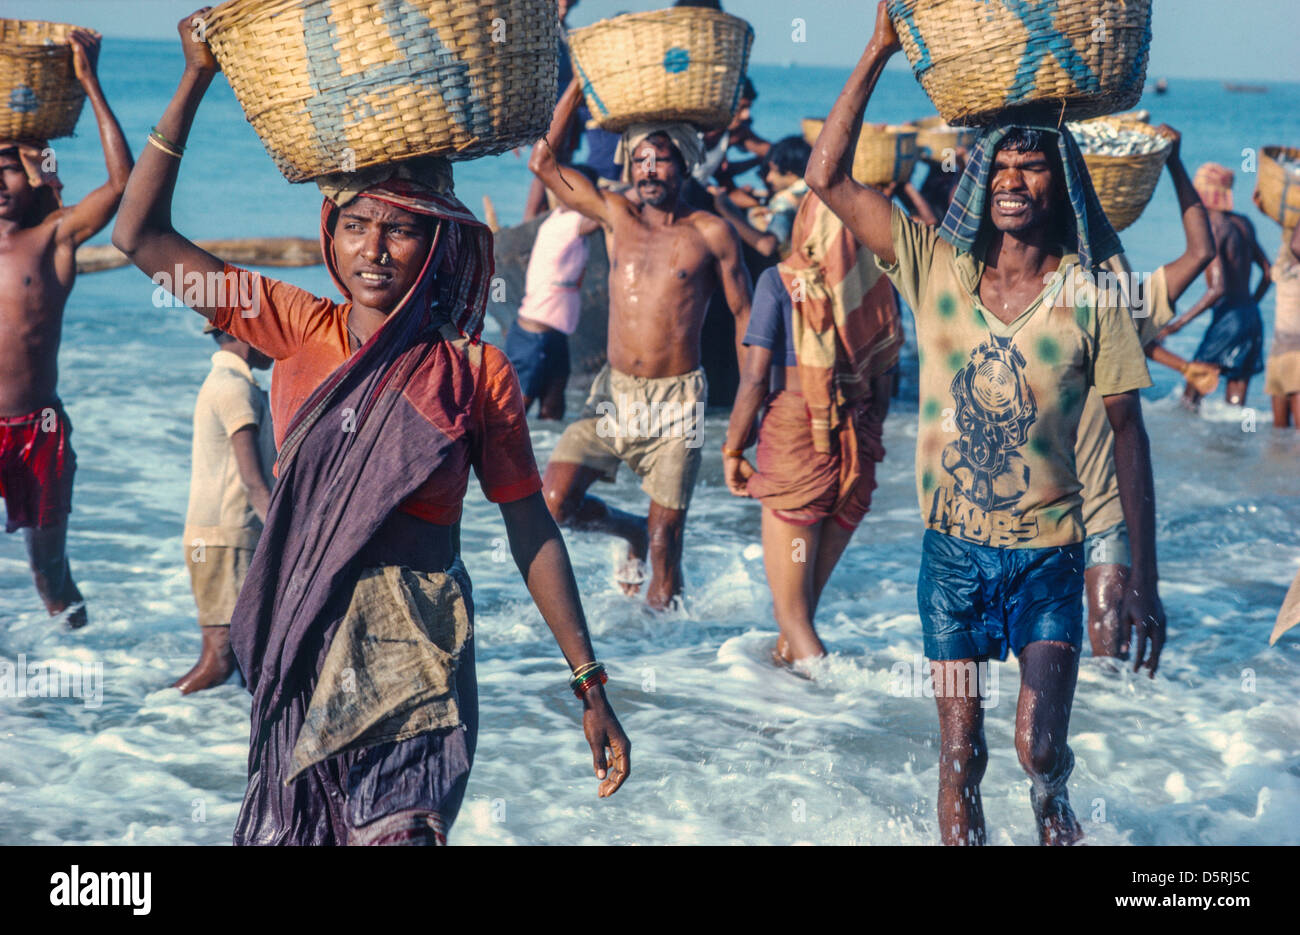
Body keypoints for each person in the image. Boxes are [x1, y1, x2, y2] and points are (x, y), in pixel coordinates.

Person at [112, 12, 629, 845]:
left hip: (416, 657)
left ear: (438, 240)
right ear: (331, 233)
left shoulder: (472, 371)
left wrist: (589, 679)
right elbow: (138, 236)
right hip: (305, 650)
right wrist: (194, 81)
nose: (374, 248)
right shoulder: (291, 324)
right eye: (357, 224)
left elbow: (529, 524)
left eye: (401, 226)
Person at [806, 2, 1165, 846]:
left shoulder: (1089, 294)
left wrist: (1142, 578)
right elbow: (827, 177)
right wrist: (877, 48)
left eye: (1032, 164)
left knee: (1037, 747)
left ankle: (1053, 801)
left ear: (1059, 183)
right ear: (981, 179)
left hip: (1048, 558)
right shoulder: (934, 266)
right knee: (960, 755)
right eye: (1000, 162)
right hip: (953, 561)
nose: (1012, 177)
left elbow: (1128, 433)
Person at [530, 77, 752, 610]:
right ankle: (624, 528)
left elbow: (745, 318)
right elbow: (543, 163)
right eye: (642, 160)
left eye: (663, 160)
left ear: (685, 166)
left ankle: (668, 667)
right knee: (554, 504)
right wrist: (577, 91)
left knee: (665, 545)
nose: (650, 169)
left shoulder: (710, 234)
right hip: (613, 394)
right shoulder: (614, 217)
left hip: (677, 404)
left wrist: (750, 409)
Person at [722, 192, 902, 667]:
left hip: (799, 440)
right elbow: (887, 380)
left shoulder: (779, 282)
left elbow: (756, 379)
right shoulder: (879, 283)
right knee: (798, 619)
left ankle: (840, 704)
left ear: (806, 223)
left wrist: (732, 449)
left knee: (793, 615)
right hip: (855, 444)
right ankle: (797, 722)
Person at [0, 29, 131, 631]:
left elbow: (122, 184)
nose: (2, 184)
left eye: (10, 171)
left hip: (39, 429)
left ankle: (86, 672)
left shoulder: (52, 239)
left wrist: (89, 84)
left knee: (49, 573)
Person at [1076, 126, 1216, 659]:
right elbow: (1201, 251)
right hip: (1042, 509)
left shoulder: (1123, 297)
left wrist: (1175, 163)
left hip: (1107, 506)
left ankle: (1114, 742)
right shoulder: (1038, 291)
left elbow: (1202, 251)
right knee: (1055, 655)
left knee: (1106, 650)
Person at [175, 324, 276, 693]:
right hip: (225, 538)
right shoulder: (235, 390)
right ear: (247, 333)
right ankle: (153, 713)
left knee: (238, 658)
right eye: (270, 329)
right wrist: (287, 538)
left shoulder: (230, 384)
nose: (276, 341)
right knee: (219, 661)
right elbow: (254, 482)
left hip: (223, 537)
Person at [1157, 162, 1272, 406]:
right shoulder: (1243, 223)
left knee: (1192, 393)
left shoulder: (1213, 227)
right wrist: (1249, 304)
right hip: (1251, 315)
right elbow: (1268, 272)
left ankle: (1192, 442)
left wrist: (1176, 325)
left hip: (1228, 319)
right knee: (1236, 401)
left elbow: (1217, 289)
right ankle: (1235, 443)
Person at [504, 165, 601, 420]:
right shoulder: (566, 221)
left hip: (555, 336)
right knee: (515, 414)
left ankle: (541, 458)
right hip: (533, 338)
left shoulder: (562, 219)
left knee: (553, 408)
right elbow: (604, 215)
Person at [710, 136, 811, 260]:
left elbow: (767, 246)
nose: (769, 178)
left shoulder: (787, 200)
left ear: (789, 172)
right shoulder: (810, 193)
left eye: (773, 171)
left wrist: (724, 209)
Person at [1261, 222, 1300, 427]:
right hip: (1278, 351)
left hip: (1297, 352)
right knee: (1279, 433)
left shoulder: (1292, 251)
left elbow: (1296, 245)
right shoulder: (1284, 256)